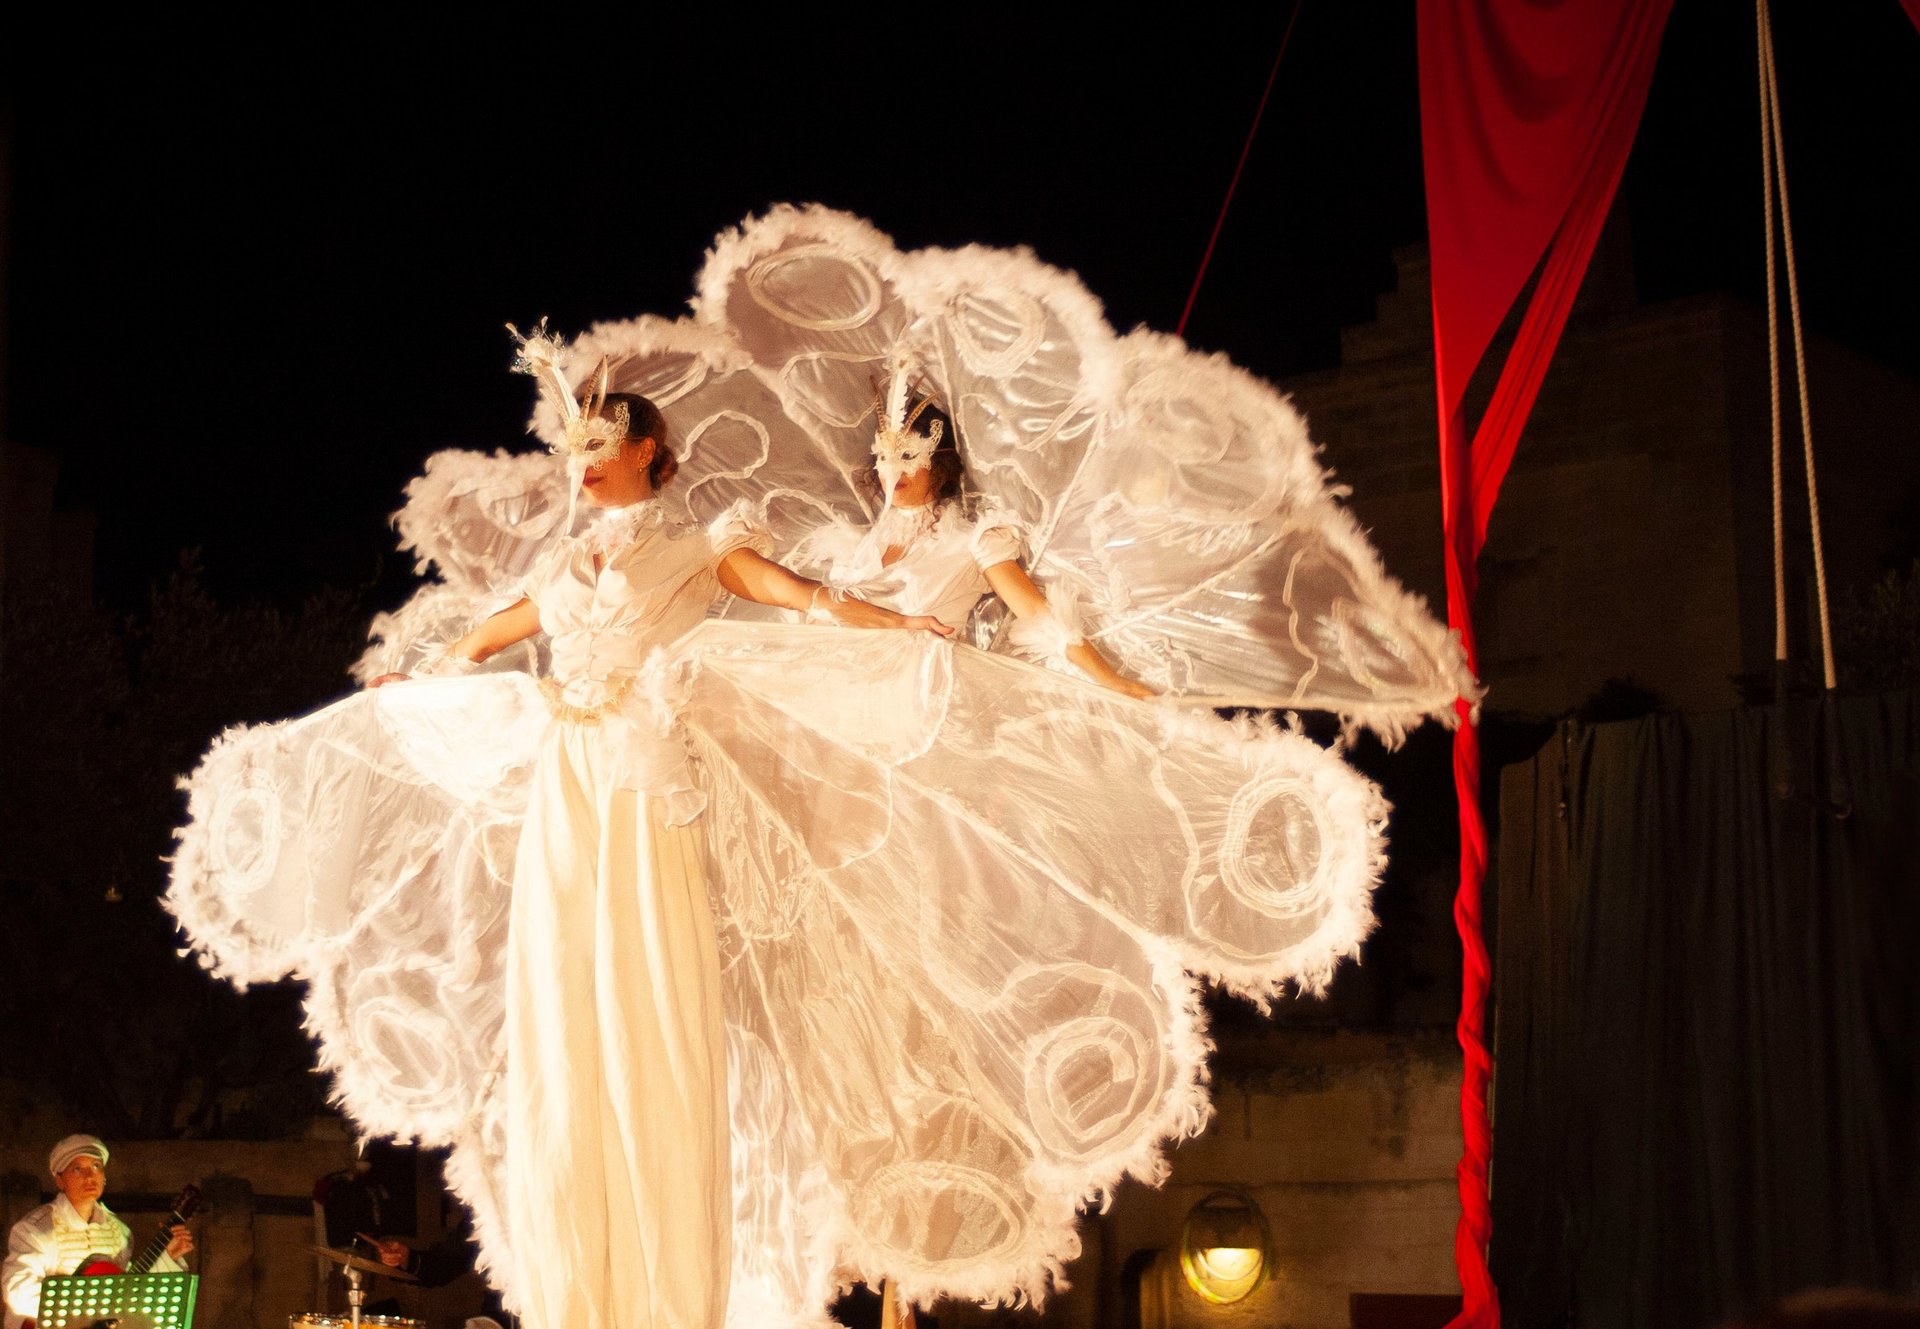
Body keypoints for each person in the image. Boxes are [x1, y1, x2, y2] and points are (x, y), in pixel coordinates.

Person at [363, 375, 947, 1329]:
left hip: (641, 775)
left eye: (601, 440)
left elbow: (790, 591)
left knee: (647, 992)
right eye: (573, 443)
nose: (582, 460)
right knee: (560, 992)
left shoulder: (691, 544)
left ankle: (668, 1295)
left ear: (646, 449)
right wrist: (416, 678)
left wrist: (891, 621)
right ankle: (576, 1288)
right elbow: (485, 639)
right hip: (568, 771)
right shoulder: (563, 563)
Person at [791, 369, 1150, 699]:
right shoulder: (865, 542)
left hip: (904, 696)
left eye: (907, 454)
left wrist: (1111, 679)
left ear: (940, 463)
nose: (893, 468)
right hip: (832, 683)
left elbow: (1039, 615)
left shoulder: (974, 542)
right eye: (884, 456)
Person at [2, 1135, 192, 1329]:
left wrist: (168, 1255)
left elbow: (128, 1292)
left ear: (104, 1177)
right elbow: (18, 1292)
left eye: (96, 1167)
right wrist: (86, 1307)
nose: (89, 1176)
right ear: (59, 1180)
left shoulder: (119, 1231)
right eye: (77, 1169)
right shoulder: (35, 1229)